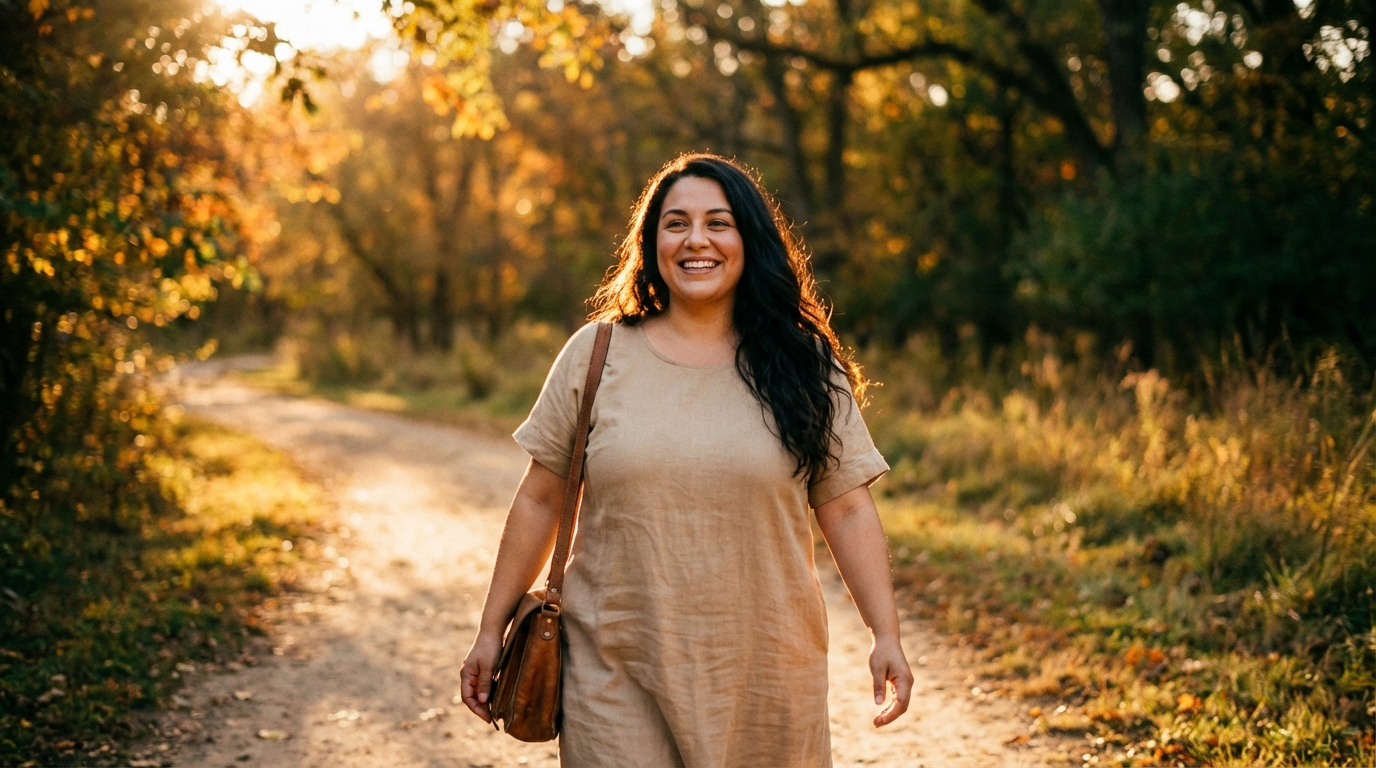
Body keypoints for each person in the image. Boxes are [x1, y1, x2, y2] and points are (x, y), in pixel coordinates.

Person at [459, 153, 913, 766]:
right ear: (653, 244)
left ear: (749, 239)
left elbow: (848, 509)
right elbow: (540, 500)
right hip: (612, 676)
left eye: (718, 223)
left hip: (768, 677)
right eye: (676, 224)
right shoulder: (596, 355)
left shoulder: (805, 365)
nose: (696, 239)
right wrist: (491, 629)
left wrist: (886, 634)